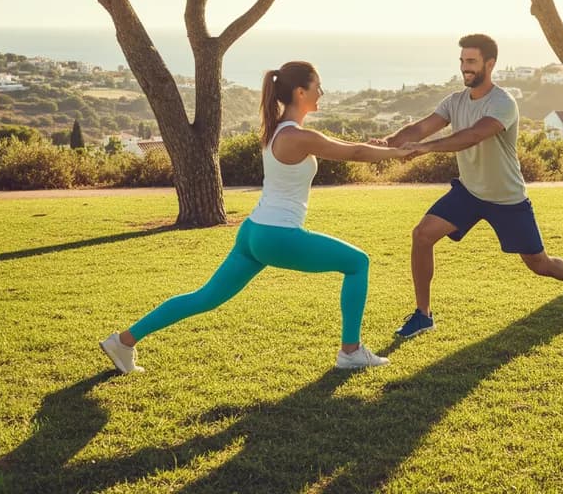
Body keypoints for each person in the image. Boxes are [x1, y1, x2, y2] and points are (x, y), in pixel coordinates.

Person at [100, 61, 413, 373]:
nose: (322, 92)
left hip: (253, 233)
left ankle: (123, 341)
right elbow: (354, 154)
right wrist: (398, 154)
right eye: (318, 86)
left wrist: (380, 147)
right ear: (300, 92)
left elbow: (349, 147)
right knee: (357, 263)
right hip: (277, 236)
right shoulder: (297, 136)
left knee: (205, 297)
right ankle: (351, 352)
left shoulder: (281, 130)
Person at [378, 34, 563, 339]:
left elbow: (473, 135)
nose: (465, 68)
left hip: (507, 198)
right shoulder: (454, 101)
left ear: (489, 64)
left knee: (538, 262)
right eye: (462, 61)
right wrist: (387, 145)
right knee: (422, 235)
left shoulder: (503, 103)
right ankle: (423, 315)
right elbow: (420, 127)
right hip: (469, 192)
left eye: (471, 62)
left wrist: (426, 149)